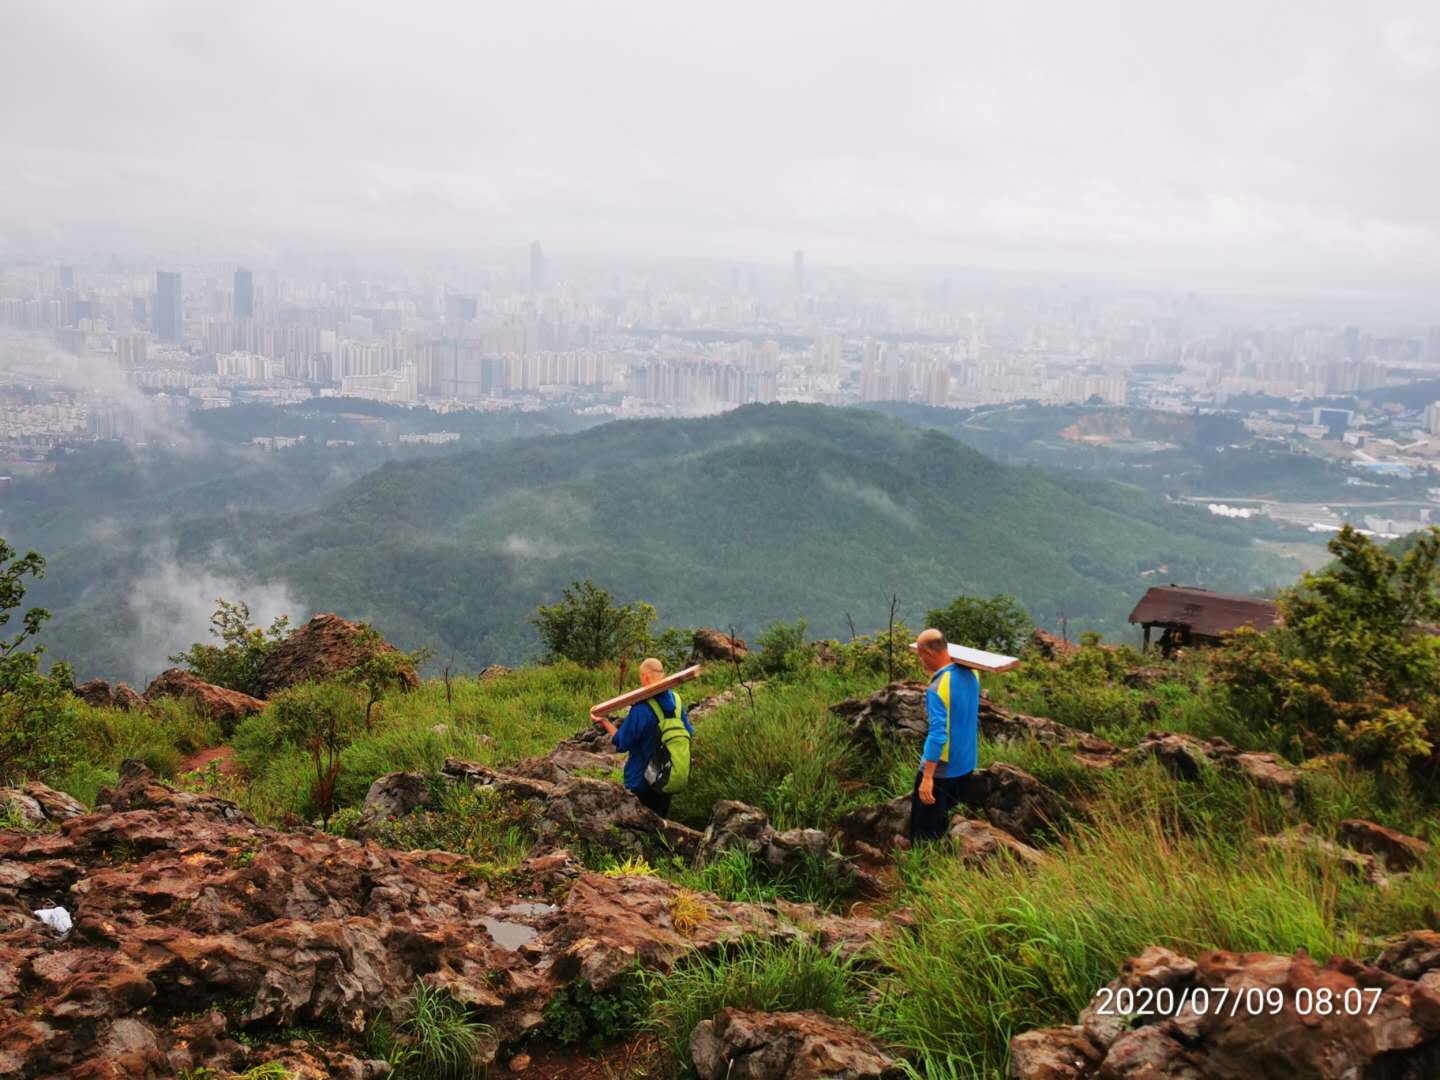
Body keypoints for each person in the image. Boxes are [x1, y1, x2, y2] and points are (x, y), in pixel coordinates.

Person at [590, 657, 693, 818]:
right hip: (665, 778)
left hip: (641, 783)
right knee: (659, 826)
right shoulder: (677, 702)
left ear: (644, 677)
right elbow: (689, 733)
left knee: (637, 831)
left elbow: (622, 742)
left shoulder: (642, 709)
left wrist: (604, 721)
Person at [910, 627, 980, 844]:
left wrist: (928, 777)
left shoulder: (937, 688)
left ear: (929, 654)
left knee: (924, 828)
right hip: (967, 764)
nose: (920, 661)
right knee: (950, 818)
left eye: (921, 655)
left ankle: (923, 865)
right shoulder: (973, 674)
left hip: (943, 769)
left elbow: (938, 735)